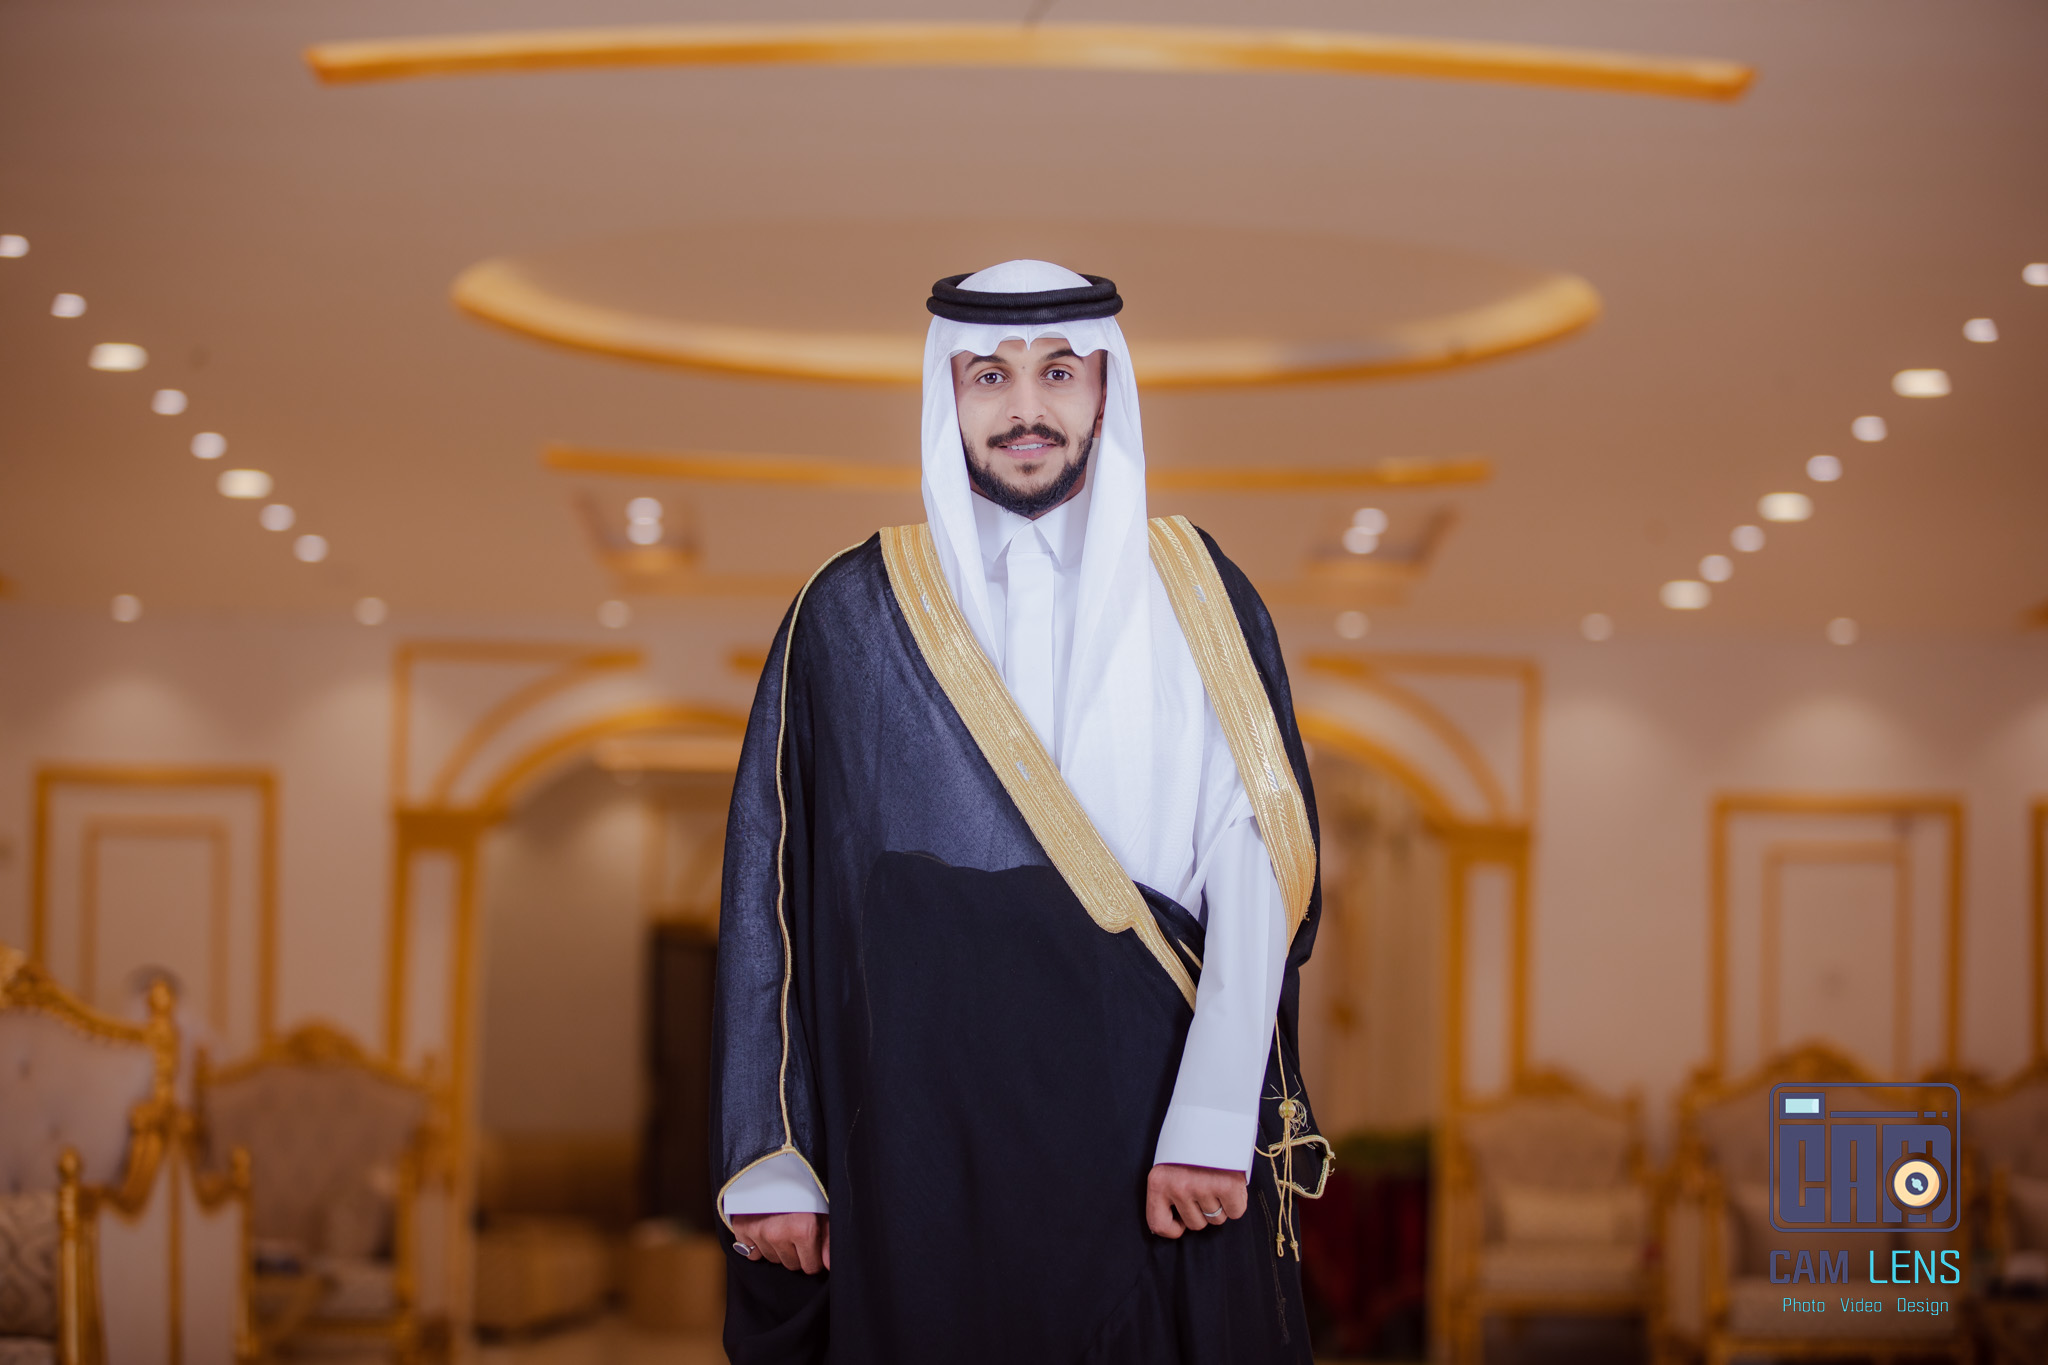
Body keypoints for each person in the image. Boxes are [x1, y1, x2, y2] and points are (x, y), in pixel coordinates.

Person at [711, 260, 1329, 1364]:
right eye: (989, 375)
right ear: (944, 393)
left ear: (1106, 388)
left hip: (1148, 1106)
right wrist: (774, 1153)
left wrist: (1212, 1113)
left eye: (1058, 371)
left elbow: (1255, 859)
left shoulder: (1196, 590)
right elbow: (776, 886)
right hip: (921, 1127)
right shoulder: (852, 607)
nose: (1025, 407)